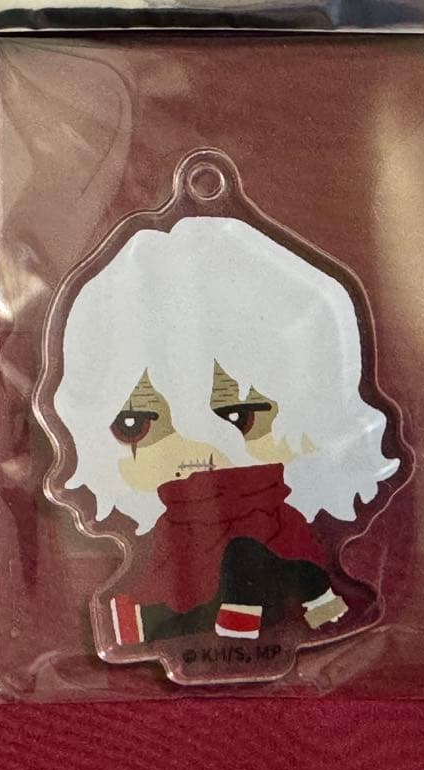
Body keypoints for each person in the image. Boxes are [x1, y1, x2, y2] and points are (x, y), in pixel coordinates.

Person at [53, 216, 401, 643]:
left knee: (248, 554)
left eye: (239, 416)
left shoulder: (272, 516)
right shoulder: (173, 530)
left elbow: (301, 556)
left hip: (276, 611)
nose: (193, 445)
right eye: (137, 424)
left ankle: (278, 612)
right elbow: (161, 585)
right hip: (190, 621)